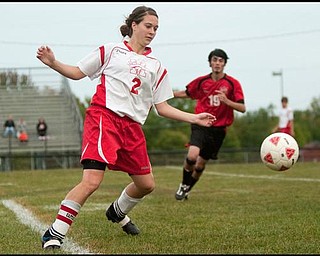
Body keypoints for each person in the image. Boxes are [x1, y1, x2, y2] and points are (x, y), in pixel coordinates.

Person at [36, 5, 215, 250]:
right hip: (104, 118)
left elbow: (161, 107)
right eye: (148, 26)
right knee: (91, 181)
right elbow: (77, 73)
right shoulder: (111, 50)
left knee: (146, 184)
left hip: (132, 128)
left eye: (156, 28)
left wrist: (194, 118)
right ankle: (55, 232)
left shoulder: (156, 66)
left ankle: (117, 212)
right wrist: (53, 62)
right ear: (134, 25)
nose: (152, 31)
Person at [173, 48, 246, 201]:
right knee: (192, 155)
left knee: (199, 165)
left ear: (225, 64)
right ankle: (183, 185)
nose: (217, 63)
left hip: (219, 129)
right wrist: (166, 95)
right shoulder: (201, 82)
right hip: (201, 123)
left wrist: (227, 101)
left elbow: (242, 108)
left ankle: (186, 189)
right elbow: (186, 93)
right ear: (210, 63)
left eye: (220, 60)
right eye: (214, 60)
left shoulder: (232, 84)